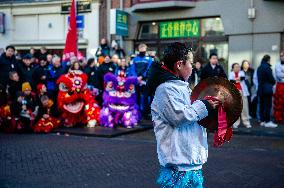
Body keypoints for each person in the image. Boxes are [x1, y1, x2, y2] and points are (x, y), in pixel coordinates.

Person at [147, 42, 218, 187]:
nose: (192, 67)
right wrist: (204, 105)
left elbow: (193, 114)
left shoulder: (180, 86)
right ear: (179, 65)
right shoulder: (165, 89)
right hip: (178, 164)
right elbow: (179, 117)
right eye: (190, 63)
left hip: (189, 160)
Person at [129, 43, 153, 118]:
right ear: (138, 49)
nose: (142, 50)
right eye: (141, 48)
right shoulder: (135, 59)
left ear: (146, 49)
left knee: (145, 96)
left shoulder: (149, 59)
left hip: (145, 81)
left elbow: (149, 69)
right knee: (136, 96)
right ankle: (137, 112)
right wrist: (136, 78)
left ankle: (145, 113)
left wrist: (142, 77)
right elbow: (132, 69)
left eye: (143, 49)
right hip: (136, 81)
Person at [257, 55, 277, 128]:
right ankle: (267, 121)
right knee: (268, 106)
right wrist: (273, 82)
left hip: (260, 89)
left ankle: (262, 121)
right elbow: (271, 79)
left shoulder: (259, 68)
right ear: (268, 60)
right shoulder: (267, 68)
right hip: (267, 89)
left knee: (262, 105)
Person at [229, 63, 252, 128]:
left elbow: (242, 78)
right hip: (234, 92)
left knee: (245, 107)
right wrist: (236, 80)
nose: (237, 68)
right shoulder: (231, 73)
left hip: (243, 91)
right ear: (233, 68)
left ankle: (246, 122)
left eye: (238, 67)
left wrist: (236, 79)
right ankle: (235, 123)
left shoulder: (242, 72)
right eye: (236, 67)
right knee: (236, 108)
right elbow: (232, 80)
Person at [273, 50, 284, 123]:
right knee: (278, 102)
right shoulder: (277, 65)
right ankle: (278, 118)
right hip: (280, 85)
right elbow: (278, 75)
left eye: (283, 55)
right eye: (281, 56)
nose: (282, 57)